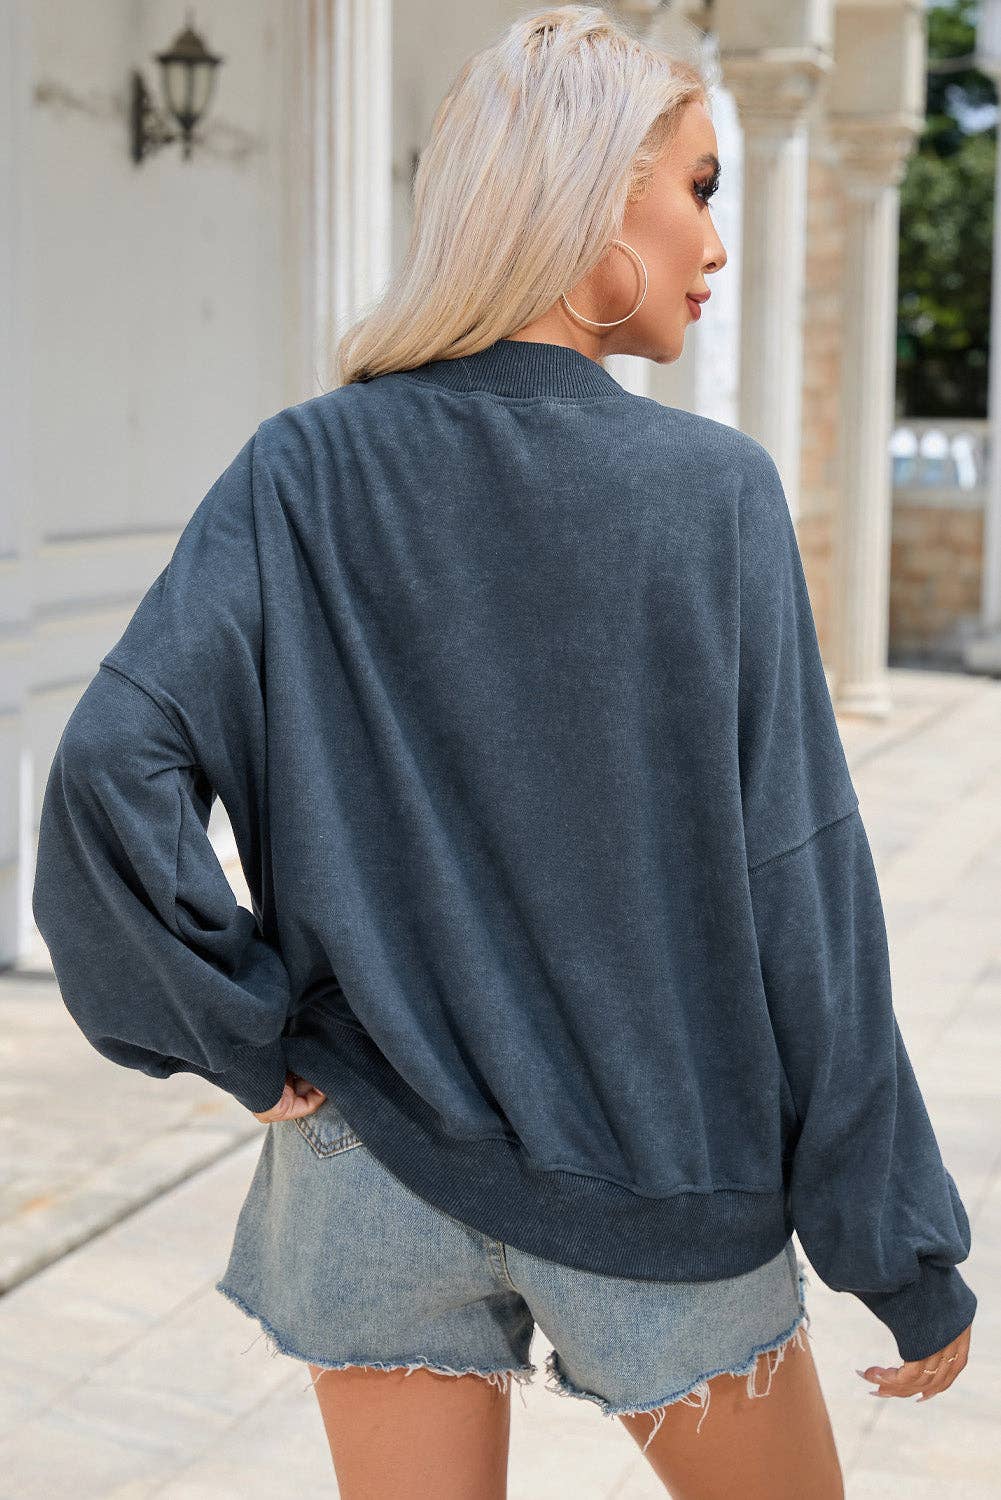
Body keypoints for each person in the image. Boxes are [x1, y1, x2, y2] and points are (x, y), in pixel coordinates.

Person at [31, 6, 975, 1498]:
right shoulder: (711, 494)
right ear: (592, 204)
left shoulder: (303, 467)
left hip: (367, 1168)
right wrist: (899, 1249)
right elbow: (801, 887)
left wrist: (235, 1028)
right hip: (655, 1172)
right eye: (698, 188)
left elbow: (108, 767)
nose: (716, 243)